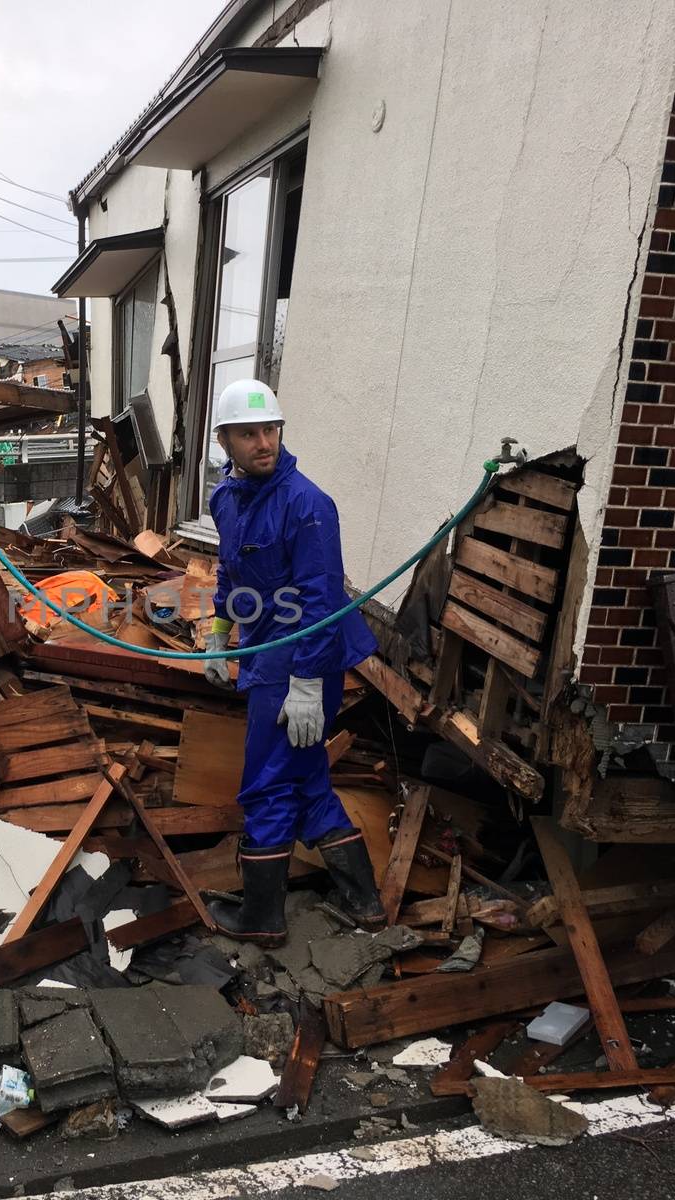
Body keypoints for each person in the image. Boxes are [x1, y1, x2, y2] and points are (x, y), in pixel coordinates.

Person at [201, 378, 382, 945]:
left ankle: (262, 921)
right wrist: (220, 632)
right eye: (249, 433)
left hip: (305, 656)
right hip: (265, 644)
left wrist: (307, 683)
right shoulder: (226, 499)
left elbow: (323, 602)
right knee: (305, 781)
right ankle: (366, 904)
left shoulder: (308, 505)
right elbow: (231, 571)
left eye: (271, 430)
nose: (264, 442)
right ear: (224, 441)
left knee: (267, 784)